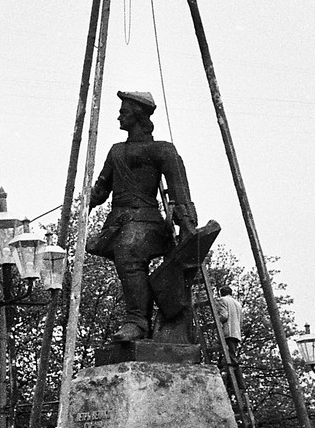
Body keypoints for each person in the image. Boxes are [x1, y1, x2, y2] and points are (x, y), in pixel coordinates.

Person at [86, 90, 199, 343]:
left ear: (137, 115)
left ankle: (137, 321)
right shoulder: (115, 151)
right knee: (125, 252)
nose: (118, 117)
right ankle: (138, 320)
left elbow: (179, 190)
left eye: (123, 112)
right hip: (118, 223)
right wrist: (84, 203)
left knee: (129, 251)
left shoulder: (163, 150)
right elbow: (102, 189)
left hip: (148, 224)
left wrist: (187, 223)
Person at [216, 284, 244, 354]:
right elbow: (241, 320)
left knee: (229, 354)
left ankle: (232, 364)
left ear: (221, 293)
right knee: (232, 352)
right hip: (236, 332)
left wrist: (216, 321)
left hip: (228, 330)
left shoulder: (223, 300)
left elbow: (224, 316)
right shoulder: (238, 304)